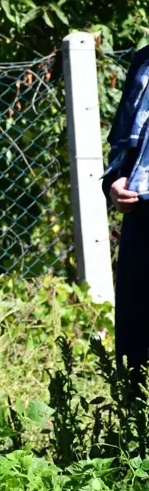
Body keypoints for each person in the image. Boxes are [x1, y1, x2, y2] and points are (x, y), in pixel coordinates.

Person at [103, 44, 149, 381]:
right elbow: (123, 148)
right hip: (142, 214)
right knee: (139, 346)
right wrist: (114, 183)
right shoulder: (144, 62)